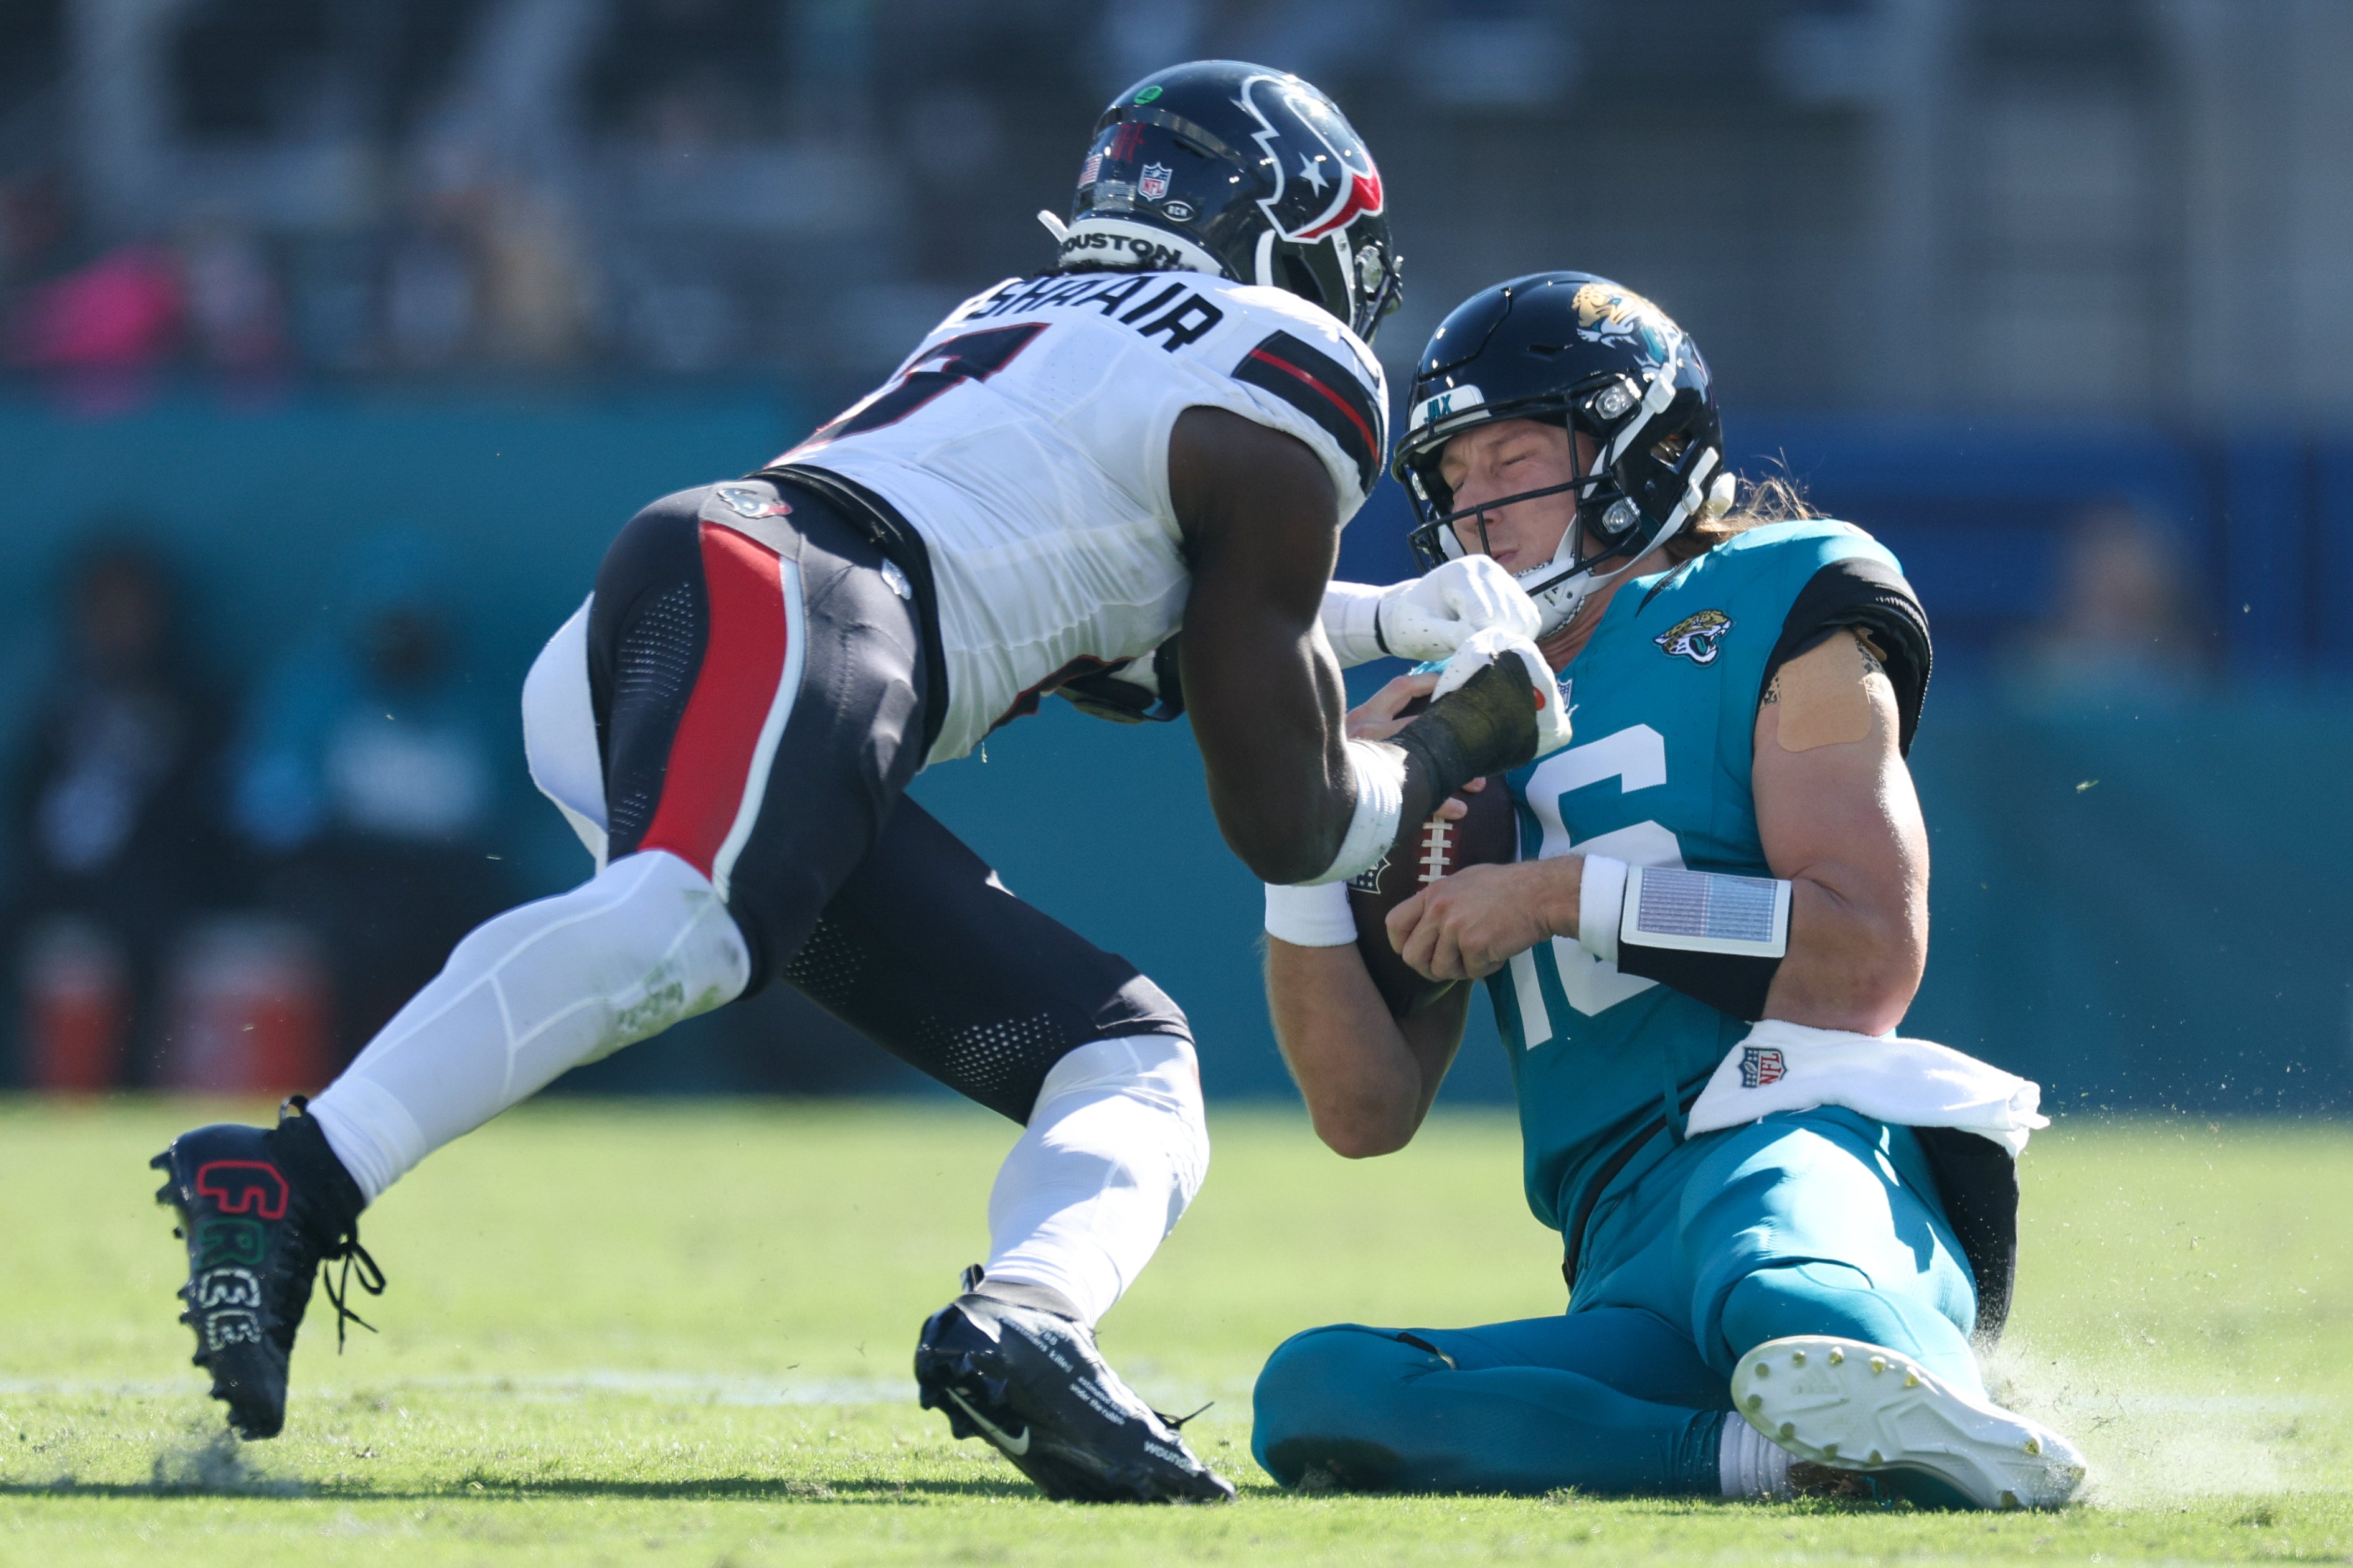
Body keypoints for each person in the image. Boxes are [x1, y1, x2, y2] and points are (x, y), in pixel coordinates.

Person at [146, 60, 1554, 1503]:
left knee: (1127, 1061)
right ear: (1290, 229)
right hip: (802, 604)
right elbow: (1288, 817)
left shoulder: (1028, 316)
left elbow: (1146, 625)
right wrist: (1456, 743)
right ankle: (295, 1174)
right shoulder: (1284, 368)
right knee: (687, 924)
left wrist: (1392, 619)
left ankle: (1029, 1326)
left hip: (718, 607)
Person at [1250, 273, 2087, 1509]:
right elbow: (1361, 1111)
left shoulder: (1780, 592)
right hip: (1624, 1252)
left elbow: (1864, 960)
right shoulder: (1452, 708)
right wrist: (1314, 835)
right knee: (1318, 1392)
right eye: (1453, 479)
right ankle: (1773, 1460)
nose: (1477, 511)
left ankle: (1913, 1398)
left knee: (1783, 1293)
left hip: (1803, 1145)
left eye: (1512, 460)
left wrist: (1557, 897)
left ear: (1637, 449)